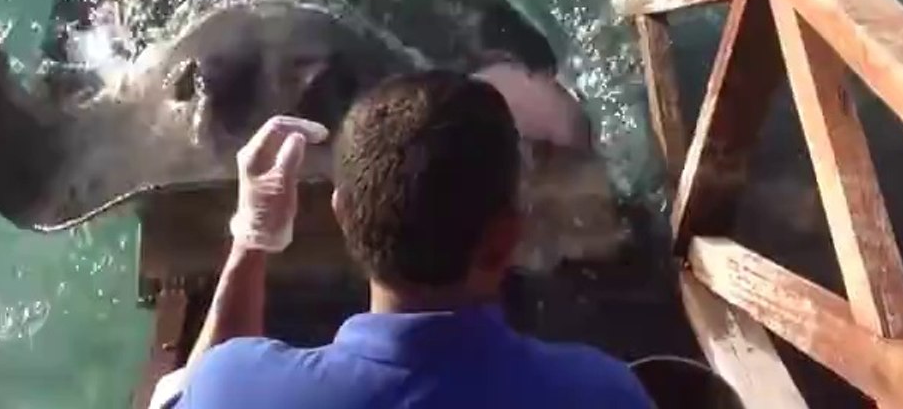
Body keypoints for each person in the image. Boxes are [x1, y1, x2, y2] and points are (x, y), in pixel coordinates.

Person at [163, 70, 654, 408]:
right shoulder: (603, 394)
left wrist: (252, 239)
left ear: (342, 216)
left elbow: (208, 381)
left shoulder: (237, 385)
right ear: (506, 237)